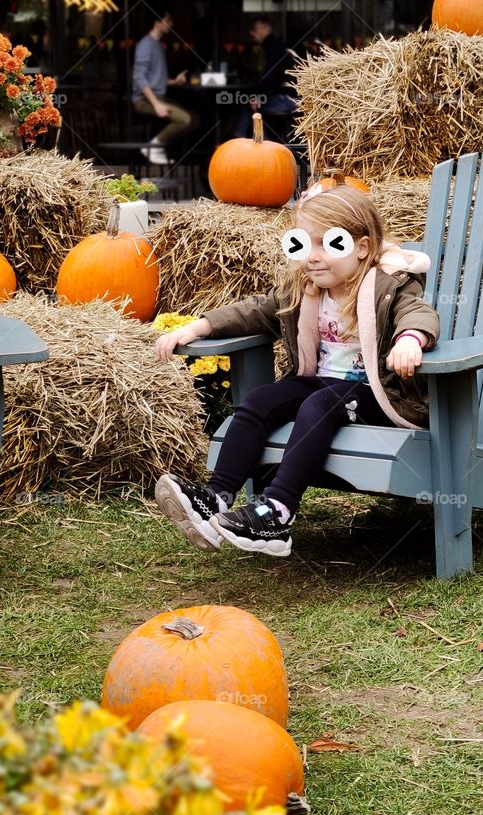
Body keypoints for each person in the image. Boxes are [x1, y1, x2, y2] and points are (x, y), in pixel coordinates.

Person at [153, 185, 439, 556]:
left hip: (380, 393)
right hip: (321, 384)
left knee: (320, 404)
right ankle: (215, 498)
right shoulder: (305, 288)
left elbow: (417, 312)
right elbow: (255, 310)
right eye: (304, 244)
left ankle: (278, 513)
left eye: (328, 245)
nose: (313, 257)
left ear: (363, 248)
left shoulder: (389, 285)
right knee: (259, 400)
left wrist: (411, 340)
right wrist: (200, 326)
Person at [131, 6, 199, 165]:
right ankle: (154, 146)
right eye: (167, 20)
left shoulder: (157, 44)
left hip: (158, 96)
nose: (171, 24)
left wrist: (173, 81)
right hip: (144, 100)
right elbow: (138, 77)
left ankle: (158, 145)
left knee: (195, 119)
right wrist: (156, 105)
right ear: (157, 22)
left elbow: (154, 78)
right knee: (185, 120)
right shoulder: (146, 44)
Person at [232, 16, 299, 139]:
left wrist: (259, 97)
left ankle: (242, 142)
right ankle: (261, 145)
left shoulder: (272, 46)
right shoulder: (274, 45)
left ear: (265, 28)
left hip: (288, 99)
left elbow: (270, 75)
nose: (251, 33)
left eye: (254, 29)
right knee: (253, 107)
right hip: (289, 97)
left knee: (251, 108)